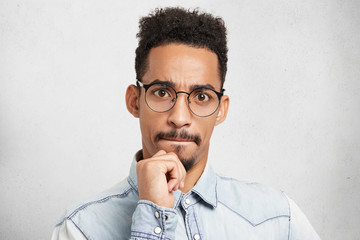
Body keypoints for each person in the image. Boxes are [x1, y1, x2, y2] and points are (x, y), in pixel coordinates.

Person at [51, 7, 321, 240]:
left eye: (201, 96)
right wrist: (153, 215)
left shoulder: (278, 218)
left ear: (220, 110)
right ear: (135, 101)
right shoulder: (82, 229)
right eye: (161, 92)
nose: (179, 117)